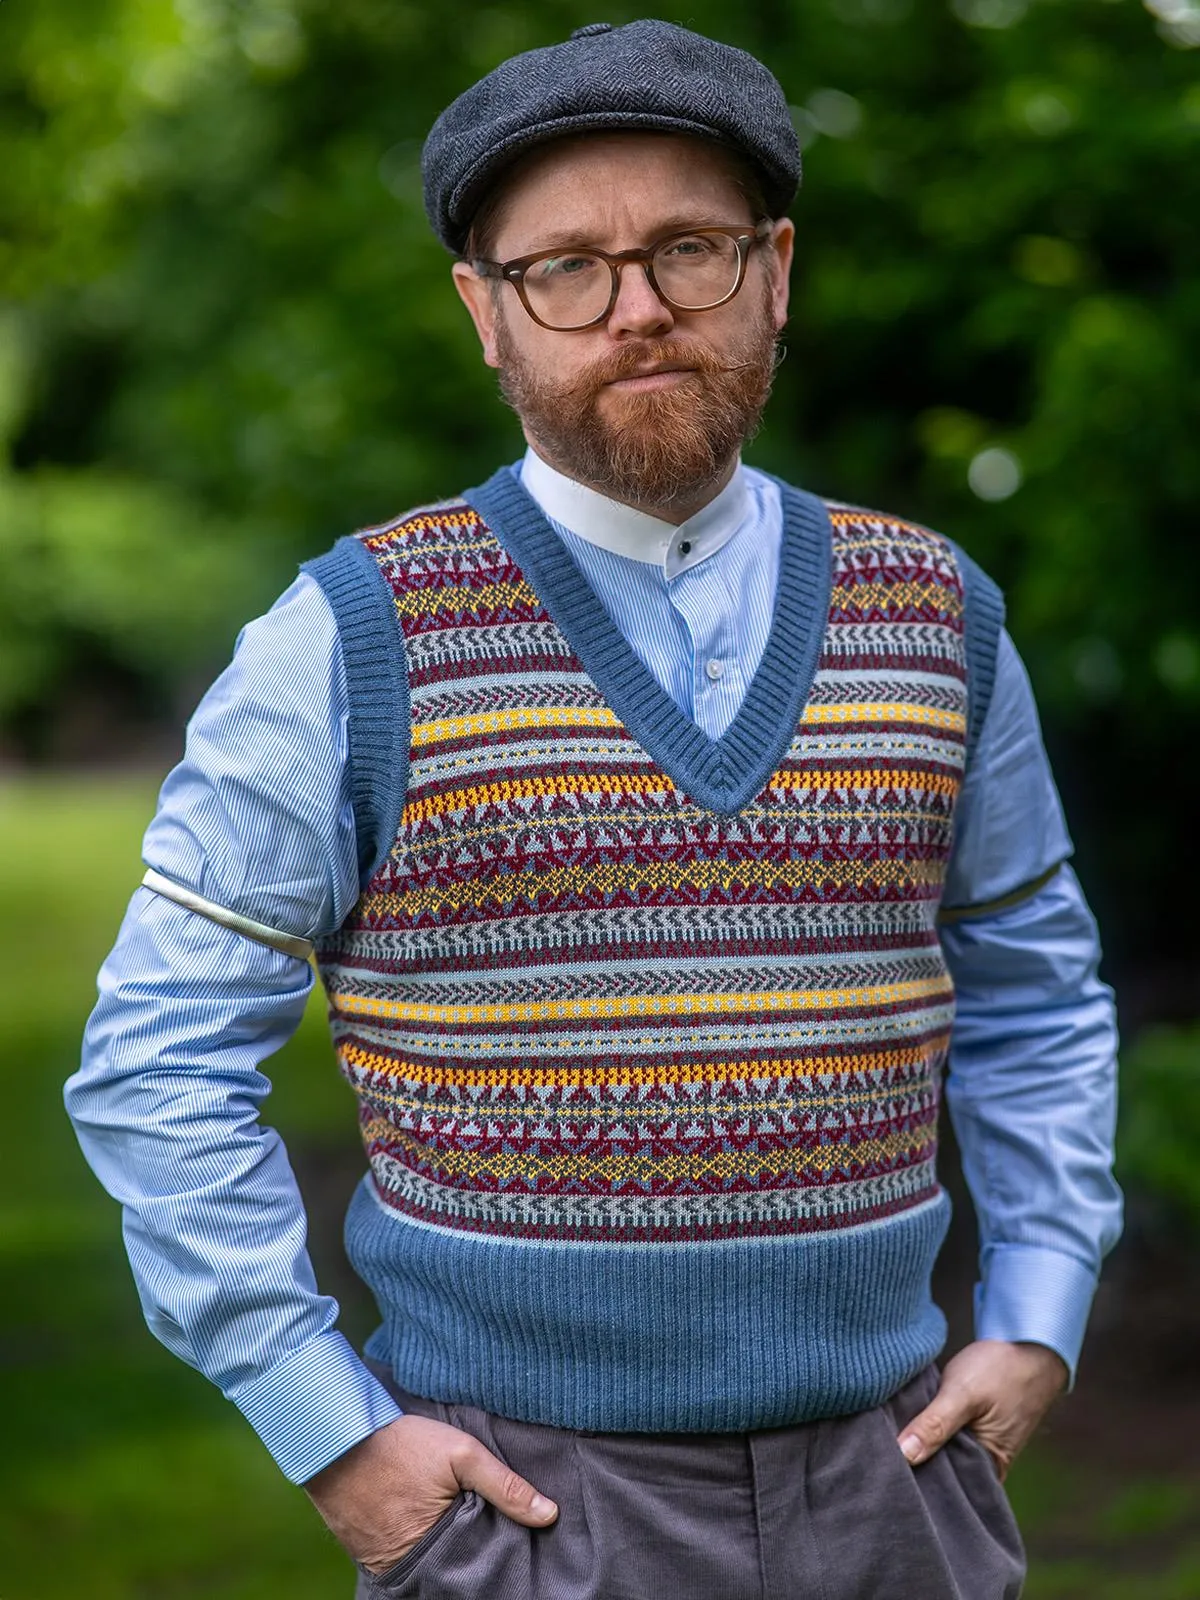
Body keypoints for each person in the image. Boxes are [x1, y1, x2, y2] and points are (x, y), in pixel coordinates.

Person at [67, 20, 1122, 1599]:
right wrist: (335, 1434)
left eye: (686, 251)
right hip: (524, 1513)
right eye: (564, 268)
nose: (634, 310)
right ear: (484, 316)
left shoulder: (937, 614)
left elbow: (1038, 988)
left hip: (901, 1486)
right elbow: (155, 1061)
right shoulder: (352, 640)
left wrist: (1038, 1310)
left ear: (777, 271)